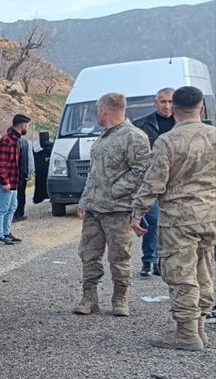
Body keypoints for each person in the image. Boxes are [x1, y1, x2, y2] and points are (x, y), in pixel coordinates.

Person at [130, 86, 216, 351]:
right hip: (210, 216)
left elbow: (153, 182)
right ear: (201, 109)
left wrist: (138, 213)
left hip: (180, 220)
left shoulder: (167, 141)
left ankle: (187, 334)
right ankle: (199, 328)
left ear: (174, 110)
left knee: (181, 274)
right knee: (204, 269)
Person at [72, 93, 150, 317]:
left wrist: (114, 190)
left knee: (120, 256)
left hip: (118, 210)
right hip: (94, 209)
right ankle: (89, 297)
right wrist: (85, 200)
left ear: (103, 110)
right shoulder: (103, 137)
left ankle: (120, 298)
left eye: (98, 110)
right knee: (88, 254)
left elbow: (142, 170)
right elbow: (94, 174)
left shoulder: (134, 136)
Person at [133, 88, 175, 277]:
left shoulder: (182, 124)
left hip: (176, 182)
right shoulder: (141, 125)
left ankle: (164, 260)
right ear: (155, 103)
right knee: (153, 219)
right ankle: (149, 260)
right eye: (163, 102)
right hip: (150, 182)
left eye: (171, 102)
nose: (167, 106)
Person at [0, 114, 30, 246]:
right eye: (27, 125)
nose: (27, 128)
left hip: (14, 181)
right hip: (6, 182)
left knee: (12, 207)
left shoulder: (16, 140)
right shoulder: (6, 140)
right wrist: (4, 181)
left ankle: (6, 232)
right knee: (2, 208)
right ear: (22, 125)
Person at [14, 124, 41, 221]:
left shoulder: (7, 142)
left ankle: (12, 215)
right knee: (21, 194)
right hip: (22, 174)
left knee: (12, 195)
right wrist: (30, 173)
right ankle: (20, 213)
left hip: (11, 174)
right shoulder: (26, 143)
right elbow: (30, 159)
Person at [33, 131, 52, 204]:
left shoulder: (36, 147)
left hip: (38, 168)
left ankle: (38, 197)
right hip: (46, 169)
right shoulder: (49, 146)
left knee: (39, 184)